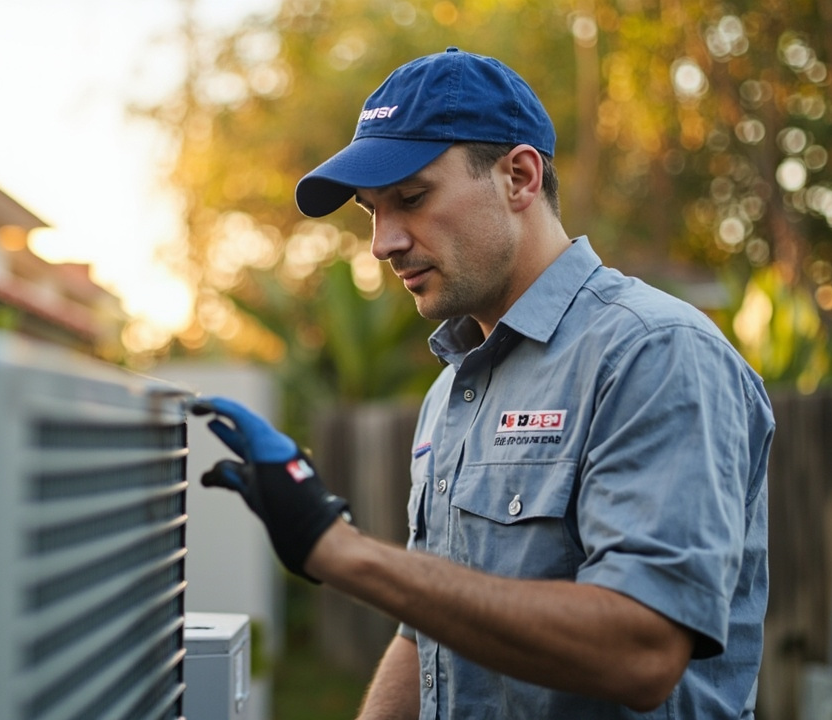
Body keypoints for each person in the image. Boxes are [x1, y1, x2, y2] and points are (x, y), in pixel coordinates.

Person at [193, 47, 773, 719]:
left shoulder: (655, 353)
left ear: (519, 178)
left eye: (410, 198)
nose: (383, 243)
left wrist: (340, 550)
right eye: (371, 211)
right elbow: (428, 633)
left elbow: (640, 650)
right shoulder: (452, 391)